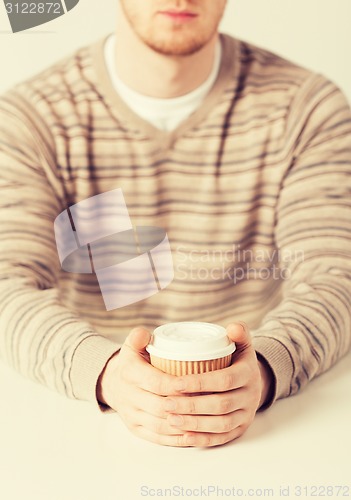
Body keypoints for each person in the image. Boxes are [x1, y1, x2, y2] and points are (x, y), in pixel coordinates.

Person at [0, 0, 350, 448]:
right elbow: (9, 283)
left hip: (266, 430)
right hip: (88, 428)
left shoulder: (305, 108)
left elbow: (335, 276)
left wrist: (265, 366)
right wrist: (106, 373)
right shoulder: (32, 118)